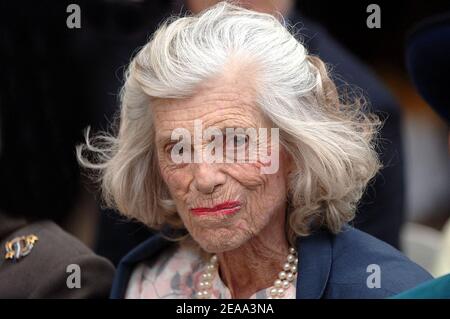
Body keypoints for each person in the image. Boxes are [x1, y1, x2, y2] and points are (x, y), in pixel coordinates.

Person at [79, 2, 430, 299]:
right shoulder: (147, 282)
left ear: (294, 148)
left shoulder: (381, 288)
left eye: (235, 141)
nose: (204, 177)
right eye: (178, 147)